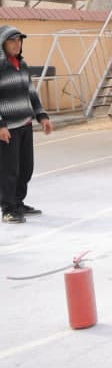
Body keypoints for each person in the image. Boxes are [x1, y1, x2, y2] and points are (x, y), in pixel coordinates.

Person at [0, 26, 54, 223]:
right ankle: (8, 208)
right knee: (9, 170)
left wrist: (42, 116)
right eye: (12, 40)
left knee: (25, 168)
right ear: (2, 43)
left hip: (25, 125)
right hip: (8, 129)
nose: (17, 44)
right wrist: (1, 125)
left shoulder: (22, 65)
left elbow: (31, 93)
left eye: (19, 40)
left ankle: (18, 202)